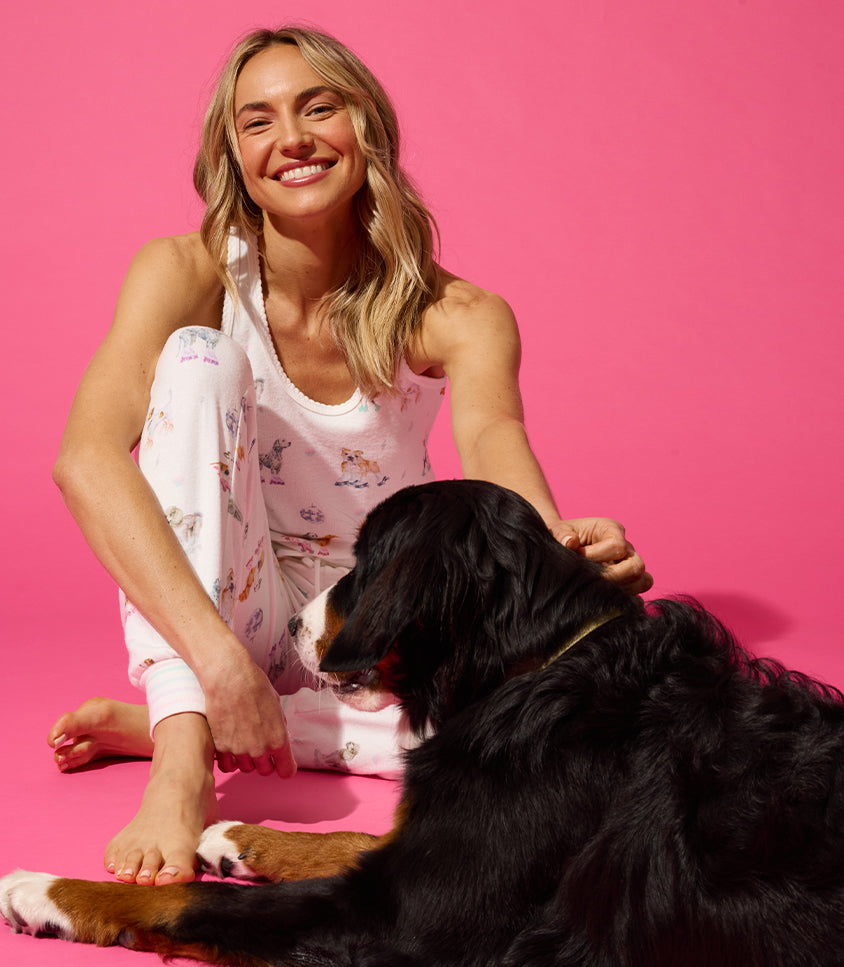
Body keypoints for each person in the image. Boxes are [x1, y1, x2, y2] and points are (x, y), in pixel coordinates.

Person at [48, 26, 653, 888]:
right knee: (195, 358)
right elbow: (85, 459)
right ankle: (182, 755)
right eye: (258, 121)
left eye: (318, 107)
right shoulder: (184, 272)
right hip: (227, 607)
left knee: (530, 751)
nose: (292, 138)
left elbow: (492, 440)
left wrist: (558, 544)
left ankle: (197, 717)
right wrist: (218, 662)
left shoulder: (460, 314)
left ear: (367, 127)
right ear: (232, 155)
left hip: (373, 628)